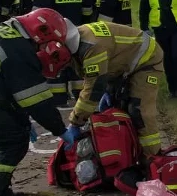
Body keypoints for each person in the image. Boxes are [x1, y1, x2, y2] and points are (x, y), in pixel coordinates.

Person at [0, 9, 74, 196]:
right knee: (13, 141)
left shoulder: (2, 32)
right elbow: (35, 100)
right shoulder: (19, 49)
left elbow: (9, 90)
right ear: (41, 32)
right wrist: (60, 130)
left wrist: (21, 117)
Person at [64, 20, 166, 156]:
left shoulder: (91, 47)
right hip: (123, 65)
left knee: (139, 110)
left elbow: (93, 89)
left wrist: (76, 122)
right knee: (119, 109)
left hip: (148, 60)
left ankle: (152, 158)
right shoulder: (78, 41)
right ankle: (128, 153)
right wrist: (109, 90)